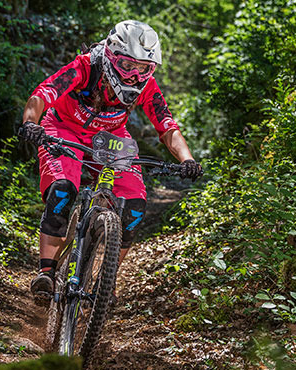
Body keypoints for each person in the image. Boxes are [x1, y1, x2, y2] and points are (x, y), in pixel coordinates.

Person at [17, 20, 202, 303]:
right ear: (112, 56)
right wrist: (31, 123)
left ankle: (107, 278)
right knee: (63, 189)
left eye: (144, 68)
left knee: (135, 206)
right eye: (128, 65)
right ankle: (46, 272)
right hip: (63, 129)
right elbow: (43, 94)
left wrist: (187, 159)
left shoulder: (146, 87)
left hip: (111, 137)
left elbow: (166, 126)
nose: (134, 76)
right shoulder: (86, 67)